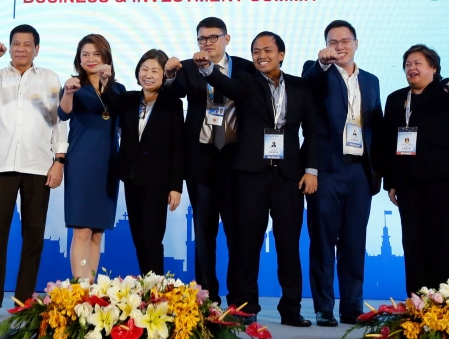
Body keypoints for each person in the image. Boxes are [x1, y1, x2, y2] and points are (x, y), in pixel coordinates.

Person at [196, 31, 318, 327]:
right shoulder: (248, 82)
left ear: (281, 54)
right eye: (255, 51)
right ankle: (244, 306)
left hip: (289, 176)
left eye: (267, 50)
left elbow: (313, 132)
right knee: (246, 243)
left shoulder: (301, 87)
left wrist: (311, 170)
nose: (260, 56)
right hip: (250, 174)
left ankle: (291, 309)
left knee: (289, 244)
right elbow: (225, 84)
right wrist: (208, 69)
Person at [0, 24, 67, 317]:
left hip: (39, 165)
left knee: (33, 234)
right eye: (16, 44)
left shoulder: (50, 77)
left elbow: (59, 120)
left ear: (37, 49)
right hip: (2, 165)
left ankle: (24, 300)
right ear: (10, 48)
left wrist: (59, 160)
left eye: (27, 44)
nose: (21, 49)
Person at [162, 16, 253, 304]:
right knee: (203, 232)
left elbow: (239, 92)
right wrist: (170, 75)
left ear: (227, 39)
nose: (208, 43)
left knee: (237, 233)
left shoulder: (244, 67)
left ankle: (238, 298)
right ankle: (207, 297)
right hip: (200, 158)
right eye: (202, 38)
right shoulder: (189, 67)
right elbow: (174, 93)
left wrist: (210, 71)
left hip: (235, 160)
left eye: (214, 38)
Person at [300, 19, 383, 326]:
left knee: (353, 243)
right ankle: (323, 308)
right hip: (326, 171)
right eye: (332, 42)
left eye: (344, 41)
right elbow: (307, 85)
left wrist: (379, 171)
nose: (339, 47)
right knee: (322, 242)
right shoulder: (317, 72)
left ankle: (352, 307)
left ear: (356, 43)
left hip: (360, 172)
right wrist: (321, 63)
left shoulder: (371, 80)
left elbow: (378, 127)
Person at [375, 44, 449, 295]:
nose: (411, 68)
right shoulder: (396, 99)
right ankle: (416, 306)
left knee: (441, 243)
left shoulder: (446, 92)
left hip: (441, 182)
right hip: (407, 183)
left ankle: (442, 307)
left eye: (418, 63)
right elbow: (387, 142)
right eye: (408, 64)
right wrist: (391, 181)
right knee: (412, 245)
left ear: (434, 68)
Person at [58, 34, 123, 280]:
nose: (91, 59)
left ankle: (92, 289)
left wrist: (105, 83)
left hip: (108, 164)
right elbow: (63, 113)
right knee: (82, 231)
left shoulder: (118, 88)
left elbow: (117, 114)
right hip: (82, 163)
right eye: (85, 54)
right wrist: (68, 92)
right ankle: (79, 291)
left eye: (96, 54)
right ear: (79, 59)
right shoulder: (75, 85)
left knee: (97, 232)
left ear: (106, 57)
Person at [115, 49, 183, 276]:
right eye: (144, 69)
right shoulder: (129, 100)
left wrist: (175, 186)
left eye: (155, 70)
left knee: (151, 237)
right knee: (138, 237)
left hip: (158, 181)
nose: (148, 74)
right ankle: (146, 286)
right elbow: (106, 104)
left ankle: (157, 292)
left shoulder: (172, 103)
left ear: (164, 75)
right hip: (132, 178)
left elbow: (177, 147)